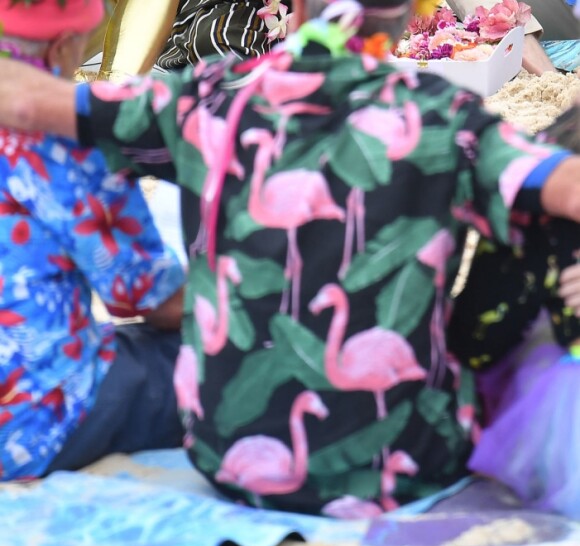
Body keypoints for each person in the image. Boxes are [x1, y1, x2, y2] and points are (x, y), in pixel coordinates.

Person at [1, 0, 580, 516]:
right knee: (531, 200)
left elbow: (31, 101)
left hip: (226, 464)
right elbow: (568, 189)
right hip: (404, 467)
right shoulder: (447, 115)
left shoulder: (204, 97)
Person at [0, 0, 186, 481]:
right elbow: (151, 300)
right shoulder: (61, 138)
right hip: (27, 422)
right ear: (63, 45)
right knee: (195, 354)